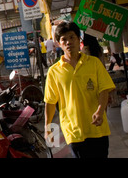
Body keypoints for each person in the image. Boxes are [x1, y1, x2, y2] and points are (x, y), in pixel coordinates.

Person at [44, 21, 116, 158]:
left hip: (98, 129)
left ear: (79, 39)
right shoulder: (54, 72)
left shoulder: (94, 63)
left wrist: (100, 112)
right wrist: (48, 128)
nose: (68, 42)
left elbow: (104, 90)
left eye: (72, 37)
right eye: (64, 39)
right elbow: (50, 102)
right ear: (59, 44)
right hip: (73, 131)